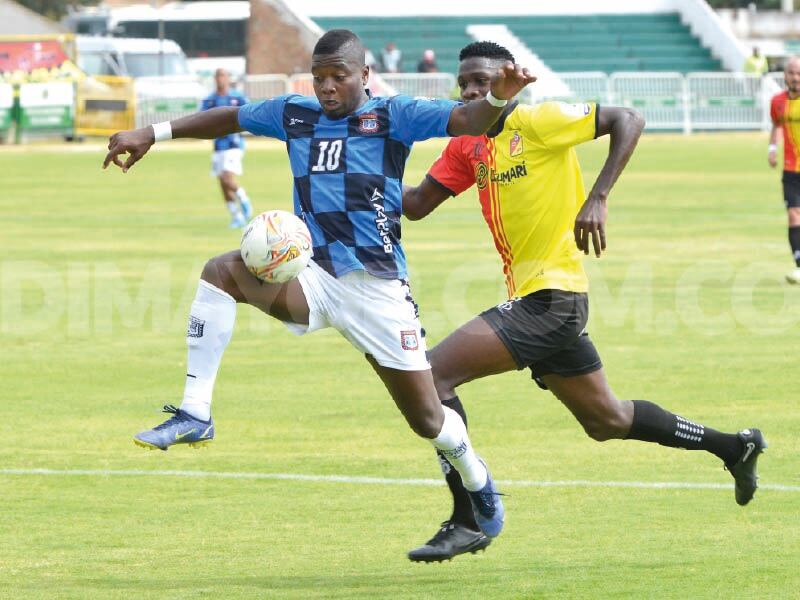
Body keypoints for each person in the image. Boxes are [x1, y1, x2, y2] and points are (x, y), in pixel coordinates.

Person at [103, 30, 536, 541]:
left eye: (339, 77)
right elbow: (231, 117)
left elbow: (465, 120)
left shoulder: (393, 115)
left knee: (427, 419)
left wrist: (497, 97)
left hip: (377, 290)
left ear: (364, 76)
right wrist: (153, 132)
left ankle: (477, 480)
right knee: (221, 273)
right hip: (313, 278)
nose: (327, 87)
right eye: (320, 77)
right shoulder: (295, 115)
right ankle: (196, 411)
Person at [402, 41, 767, 563]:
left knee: (432, 375)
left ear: (506, 79)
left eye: (481, 82)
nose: (472, 92)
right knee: (607, 421)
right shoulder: (467, 147)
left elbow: (629, 118)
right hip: (534, 301)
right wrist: (364, 179)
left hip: (553, 298)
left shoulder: (539, 122)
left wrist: (598, 196)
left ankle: (468, 516)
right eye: (464, 85)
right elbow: (416, 204)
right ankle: (734, 446)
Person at [201, 68, 253, 228]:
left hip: (233, 145)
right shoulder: (210, 100)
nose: (220, 79)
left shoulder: (237, 98)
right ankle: (236, 216)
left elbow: (251, 114)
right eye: (217, 76)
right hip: (218, 147)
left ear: (228, 78)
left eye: (223, 75)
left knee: (226, 177)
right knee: (222, 183)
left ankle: (244, 199)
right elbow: (200, 120)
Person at [768, 56, 800, 284]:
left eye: (799, 73)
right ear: (785, 76)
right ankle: (799, 264)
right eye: (792, 73)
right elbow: (776, 125)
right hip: (790, 170)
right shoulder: (778, 102)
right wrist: (772, 147)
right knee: (793, 215)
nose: (795, 77)